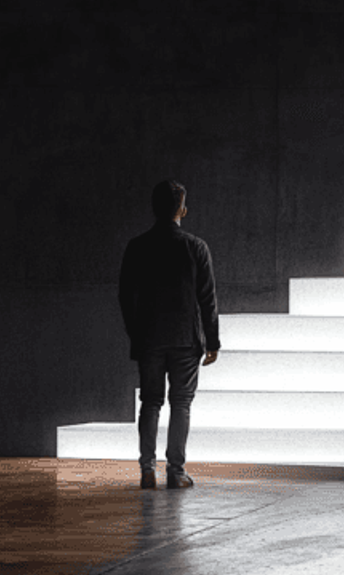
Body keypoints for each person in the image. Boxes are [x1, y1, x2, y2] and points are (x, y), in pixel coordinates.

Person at [118, 179, 221, 489]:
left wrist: (135, 332)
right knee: (181, 404)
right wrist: (213, 341)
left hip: (149, 338)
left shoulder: (137, 246)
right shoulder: (196, 247)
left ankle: (147, 469)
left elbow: (125, 296)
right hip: (186, 339)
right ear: (182, 209)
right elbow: (208, 298)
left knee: (150, 402)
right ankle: (176, 472)